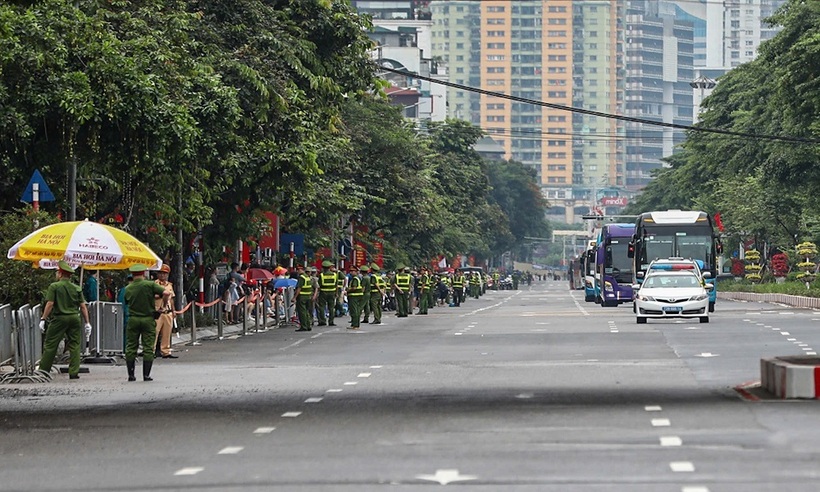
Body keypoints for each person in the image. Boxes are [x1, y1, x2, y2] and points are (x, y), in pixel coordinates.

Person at [37, 261, 92, 380]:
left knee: (51, 344)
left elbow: (50, 304)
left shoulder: (54, 286)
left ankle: (43, 371)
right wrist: (87, 322)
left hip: (59, 318)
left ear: (61, 274)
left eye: (57, 272)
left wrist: (43, 318)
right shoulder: (76, 288)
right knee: (75, 345)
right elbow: (83, 306)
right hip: (74, 318)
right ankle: (74, 372)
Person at [124, 264, 170, 381]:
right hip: (148, 319)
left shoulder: (127, 288)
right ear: (144, 273)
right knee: (148, 347)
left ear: (132, 274)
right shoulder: (149, 285)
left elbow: (126, 302)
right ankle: (146, 375)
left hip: (133, 319)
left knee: (131, 347)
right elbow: (166, 293)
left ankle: (131, 374)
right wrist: (162, 307)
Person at [153, 264, 177, 359]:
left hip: (167, 312)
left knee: (167, 334)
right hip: (158, 312)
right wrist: (162, 295)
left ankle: (166, 351)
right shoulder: (154, 284)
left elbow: (171, 299)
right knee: (154, 333)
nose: (162, 275)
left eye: (165, 274)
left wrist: (174, 311)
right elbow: (152, 296)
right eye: (161, 273)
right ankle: (151, 352)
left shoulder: (169, 286)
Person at [316, 260, 338, 326]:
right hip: (332, 293)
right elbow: (336, 285)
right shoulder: (334, 275)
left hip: (323, 293)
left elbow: (319, 284)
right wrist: (336, 293)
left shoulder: (321, 275)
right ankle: (331, 321)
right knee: (331, 307)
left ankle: (323, 321)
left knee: (322, 307)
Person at [293, 265, 314, 332]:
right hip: (308, 296)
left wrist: (294, 297)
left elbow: (299, 288)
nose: (297, 271)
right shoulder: (307, 277)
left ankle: (304, 326)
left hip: (302, 297)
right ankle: (308, 325)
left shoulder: (301, 277)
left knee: (302, 312)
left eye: (298, 270)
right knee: (307, 311)